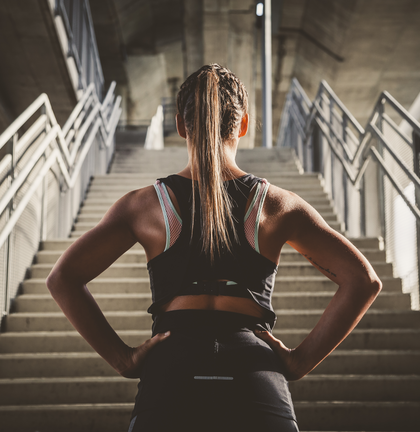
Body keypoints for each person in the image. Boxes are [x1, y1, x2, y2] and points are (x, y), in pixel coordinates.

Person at [46, 64, 382, 432]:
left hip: (170, 374)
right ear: (242, 126)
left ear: (180, 125)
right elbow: (362, 280)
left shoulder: (143, 206)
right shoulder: (277, 205)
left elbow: (63, 277)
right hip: (254, 373)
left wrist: (123, 360)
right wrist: (299, 361)